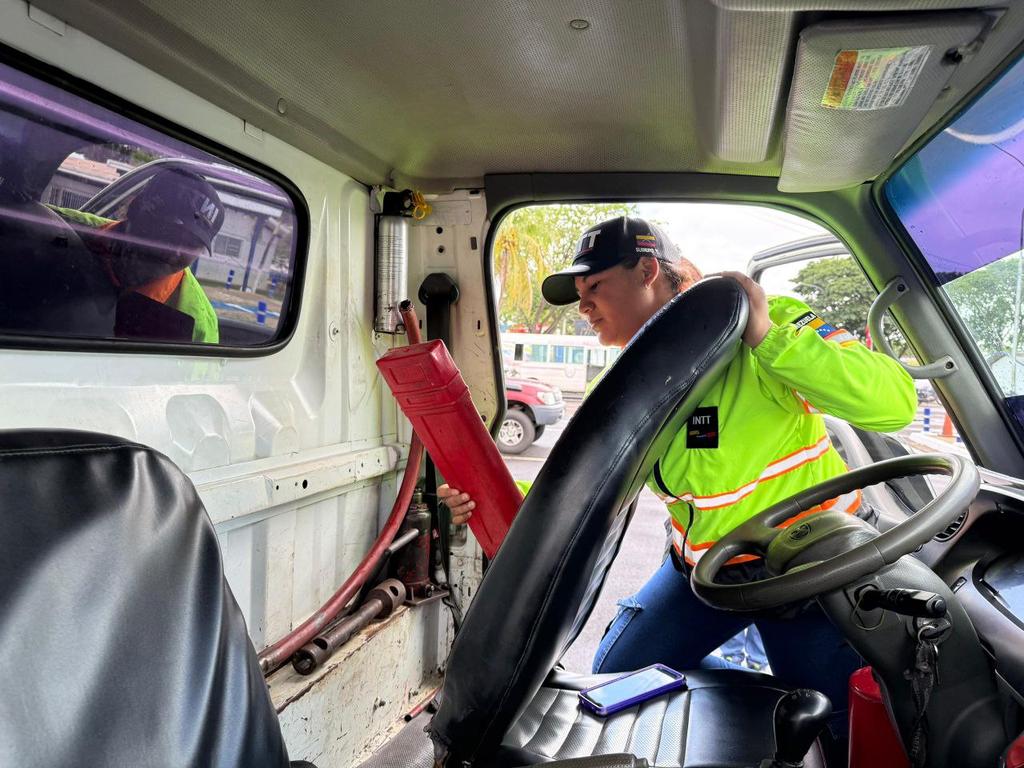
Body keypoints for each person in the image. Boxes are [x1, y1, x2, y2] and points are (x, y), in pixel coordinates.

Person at [439, 215, 917, 746]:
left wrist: (764, 334)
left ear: (648, 271)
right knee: (620, 673)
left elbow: (893, 404)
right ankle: (743, 699)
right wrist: (487, 495)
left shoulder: (770, 328)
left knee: (834, 727)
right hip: (706, 575)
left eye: (595, 286)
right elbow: (590, 485)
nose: (584, 307)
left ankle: (769, 698)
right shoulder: (632, 380)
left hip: (807, 574)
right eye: (578, 293)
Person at [51, 167, 225, 343]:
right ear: (134, 209)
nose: (176, 252)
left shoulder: (198, 322)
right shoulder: (55, 228)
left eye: (192, 245)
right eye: (169, 233)